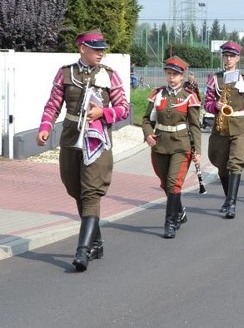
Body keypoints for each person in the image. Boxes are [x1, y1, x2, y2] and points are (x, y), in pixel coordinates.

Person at [36, 29, 130, 271]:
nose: (101, 53)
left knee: (91, 192)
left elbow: (124, 109)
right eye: (96, 48)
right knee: (75, 188)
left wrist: (104, 113)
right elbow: (53, 103)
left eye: (102, 49)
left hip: (96, 141)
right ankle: (96, 241)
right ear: (82, 48)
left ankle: (83, 251)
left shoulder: (110, 75)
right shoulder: (66, 73)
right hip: (70, 138)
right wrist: (45, 126)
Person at [141, 56, 202, 238]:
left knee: (174, 183)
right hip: (160, 145)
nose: (171, 77)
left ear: (182, 76)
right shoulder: (158, 94)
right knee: (165, 183)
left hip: (181, 145)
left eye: (175, 74)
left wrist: (197, 150)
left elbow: (194, 126)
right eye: (169, 74)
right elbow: (146, 119)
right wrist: (147, 134)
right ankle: (179, 211)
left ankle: (170, 222)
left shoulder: (189, 97)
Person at [203, 41, 244, 218]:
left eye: (231, 56)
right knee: (221, 164)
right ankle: (228, 197)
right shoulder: (214, 78)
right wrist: (215, 105)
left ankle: (232, 203)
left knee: (235, 163)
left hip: (239, 126)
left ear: (238, 58)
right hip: (220, 127)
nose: (228, 59)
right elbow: (205, 103)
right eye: (225, 56)